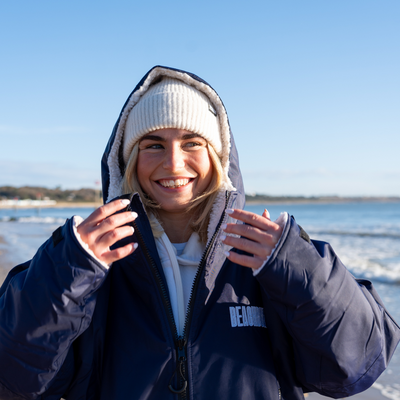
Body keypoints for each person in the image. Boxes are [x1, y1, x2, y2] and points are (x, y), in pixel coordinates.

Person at [0, 66, 399, 400]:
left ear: (219, 157)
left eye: (192, 142)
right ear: (128, 161)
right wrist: (67, 269)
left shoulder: (268, 256)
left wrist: (299, 269)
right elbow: (14, 381)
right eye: (153, 145)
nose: (174, 164)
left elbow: (354, 367)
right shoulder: (87, 263)